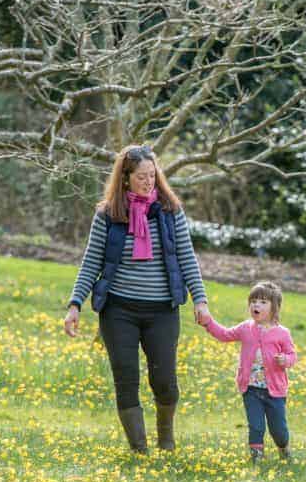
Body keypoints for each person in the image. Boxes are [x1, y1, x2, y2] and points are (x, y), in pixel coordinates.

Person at [64, 144, 210, 453]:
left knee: (165, 381)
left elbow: (186, 257)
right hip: (119, 311)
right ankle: (139, 448)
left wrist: (200, 299)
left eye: (152, 175)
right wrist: (75, 304)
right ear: (125, 177)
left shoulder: (170, 212)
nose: (148, 182)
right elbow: (91, 262)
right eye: (141, 177)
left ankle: (166, 439)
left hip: (162, 311)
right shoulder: (109, 214)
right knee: (126, 378)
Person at [202, 281, 297, 464]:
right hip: (251, 389)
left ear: (274, 307)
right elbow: (224, 334)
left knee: (278, 429)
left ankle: (284, 449)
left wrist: (285, 360)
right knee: (256, 426)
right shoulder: (246, 328)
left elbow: (292, 355)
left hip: (274, 391)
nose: (256, 305)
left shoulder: (282, 333)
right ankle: (257, 458)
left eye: (262, 302)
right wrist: (208, 323)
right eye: (253, 301)